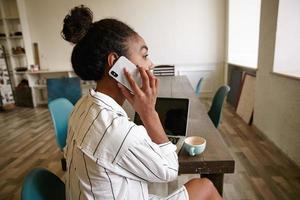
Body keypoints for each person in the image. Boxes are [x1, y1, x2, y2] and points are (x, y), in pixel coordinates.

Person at [61, 5, 222, 200]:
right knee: (204, 186)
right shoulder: (116, 130)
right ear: (116, 64)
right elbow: (170, 170)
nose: (151, 63)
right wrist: (149, 113)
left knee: (201, 185)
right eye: (144, 55)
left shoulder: (83, 105)